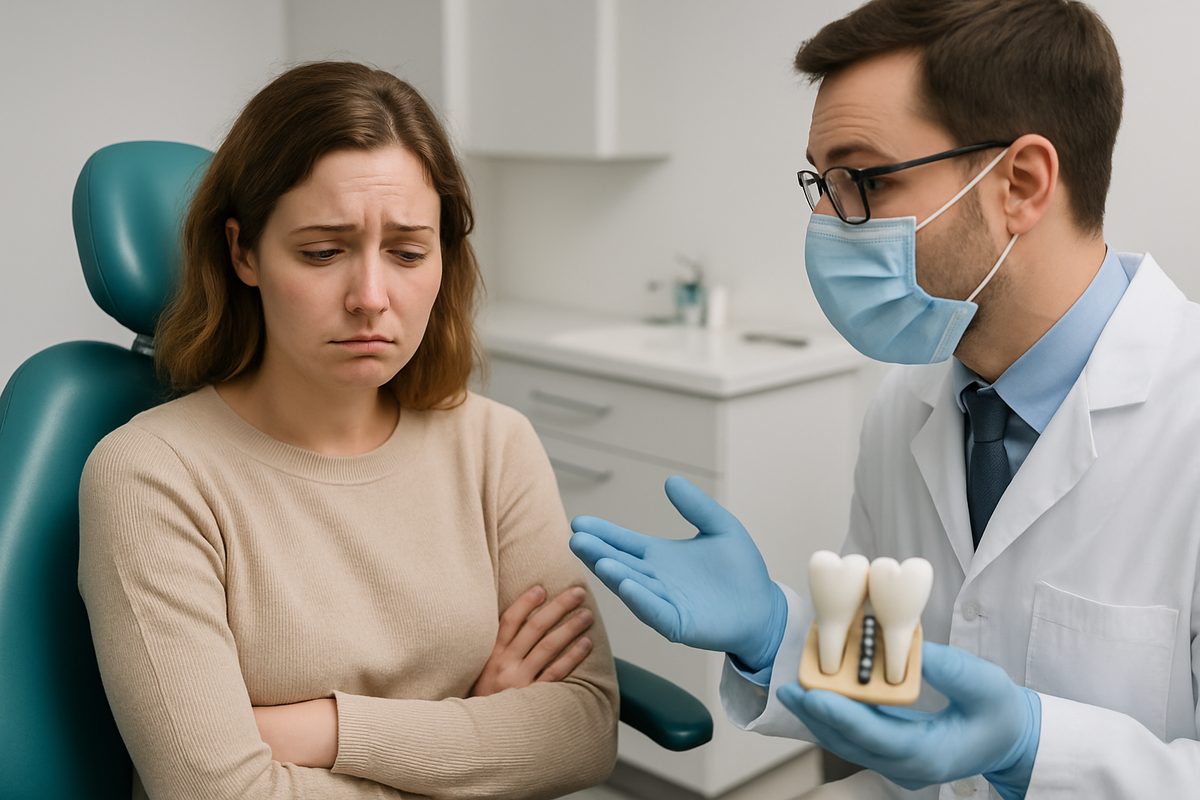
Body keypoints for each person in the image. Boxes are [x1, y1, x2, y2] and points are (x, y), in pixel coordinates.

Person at [570, 1, 1200, 797]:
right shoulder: (909, 404)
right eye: (821, 183)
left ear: (1022, 183)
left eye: (863, 179)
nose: (827, 221)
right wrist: (775, 632)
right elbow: (879, 674)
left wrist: (1035, 748)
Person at [78, 61, 618, 800]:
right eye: (323, 252)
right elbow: (219, 793)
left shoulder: (496, 446)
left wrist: (318, 730)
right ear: (243, 253)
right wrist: (475, 732)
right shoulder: (151, 474)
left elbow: (583, 731)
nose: (371, 297)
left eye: (407, 251)